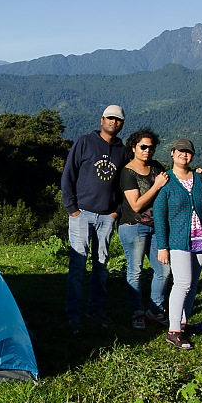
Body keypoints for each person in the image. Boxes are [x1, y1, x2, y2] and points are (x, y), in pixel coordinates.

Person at [61, 104, 128, 332]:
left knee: (102, 266)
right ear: (101, 120)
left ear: (122, 123)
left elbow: (126, 181)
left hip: (107, 216)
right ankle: (73, 314)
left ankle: (96, 309)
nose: (113, 122)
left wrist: (116, 210)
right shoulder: (85, 142)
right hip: (82, 213)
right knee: (78, 265)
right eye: (110, 118)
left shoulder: (122, 150)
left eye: (118, 120)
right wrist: (72, 208)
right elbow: (69, 174)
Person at [154, 139, 202, 350]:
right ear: (172, 153)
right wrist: (162, 246)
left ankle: (183, 323)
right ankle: (173, 331)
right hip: (178, 240)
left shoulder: (201, 180)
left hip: (200, 239)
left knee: (191, 284)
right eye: (180, 151)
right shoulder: (166, 181)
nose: (184, 155)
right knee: (182, 283)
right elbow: (159, 215)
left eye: (188, 152)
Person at [118, 128, 171, 330]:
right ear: (134, 147)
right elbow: (136, 205)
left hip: (156, 226)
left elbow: (174, 179)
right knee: (135, 270)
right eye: (143, 147)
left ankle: (155, 310)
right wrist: (156, 186)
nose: (147, 151)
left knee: (164, 270)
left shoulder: (156, 167)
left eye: (151, 147)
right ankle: (137, 312)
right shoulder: (127, 172)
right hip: (134, 226)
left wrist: (197, 173)